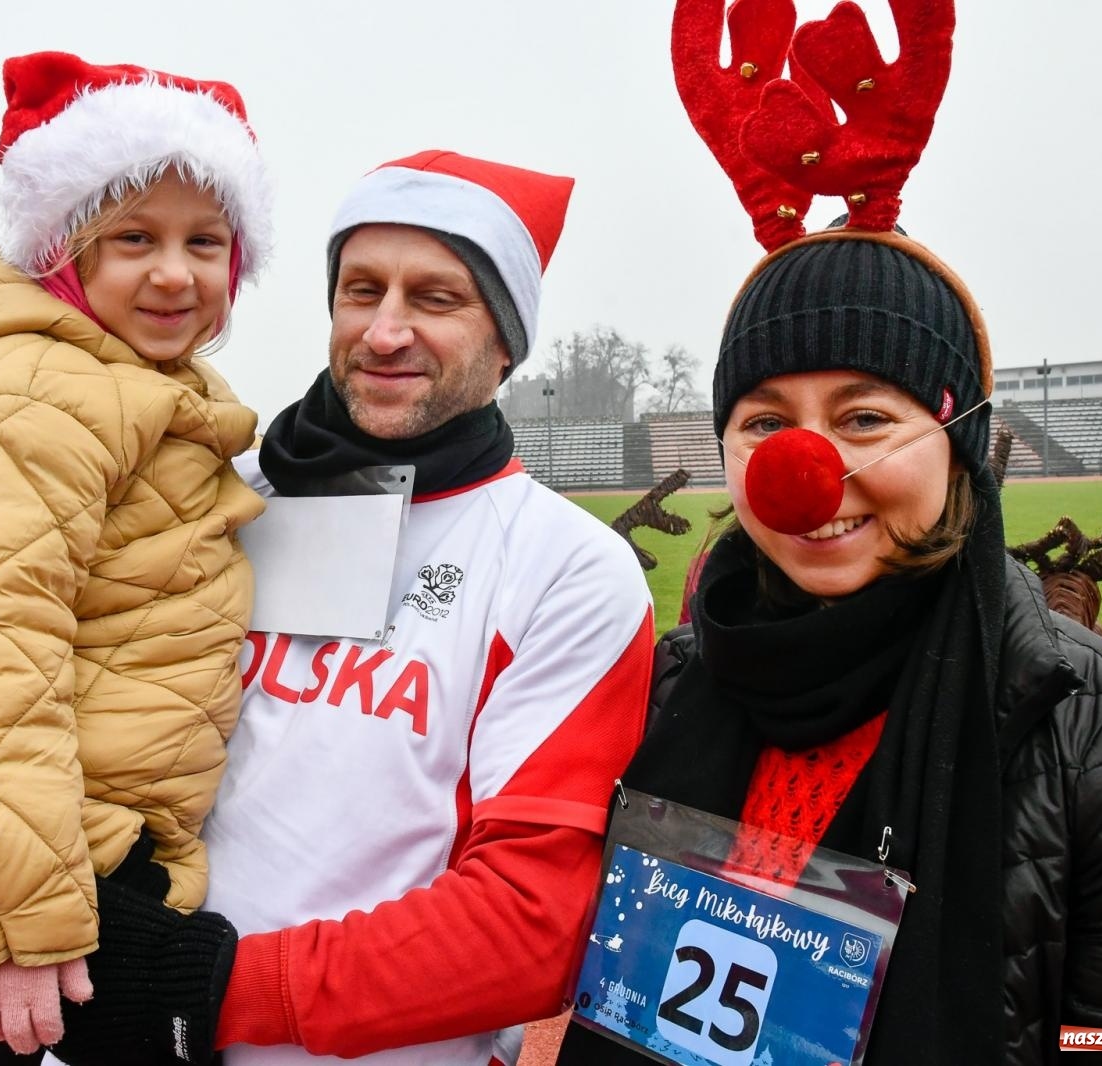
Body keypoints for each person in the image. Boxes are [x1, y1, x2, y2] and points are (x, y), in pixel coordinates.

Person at [558, 3, 1102, 1063]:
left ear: (960, 436)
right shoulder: (656, 690)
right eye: (764, 423)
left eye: (865, 416)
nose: (807, 467)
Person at [43, 150, 657, 1066]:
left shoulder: (570, 568)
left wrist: (211, 990)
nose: (384, 331)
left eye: (436, 298)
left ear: (506, 340)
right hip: (111, 1037)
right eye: (361, 290)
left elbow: (529, 925)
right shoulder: (215, 498)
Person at [0, 50, 272, 1061]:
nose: (176, 272)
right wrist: (18, 928)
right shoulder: (29, 396)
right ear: (63, 252)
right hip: (76, 885)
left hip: (112, 852)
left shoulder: (124, 387)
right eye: (134, 237)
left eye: (206, 240)